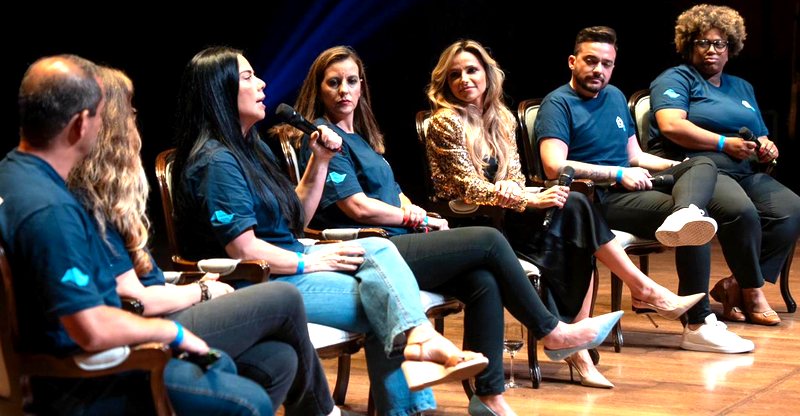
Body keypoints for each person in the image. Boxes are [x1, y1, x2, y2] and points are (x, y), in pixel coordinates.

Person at [171, 46, 622, 416]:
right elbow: (249, 249)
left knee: (476, 280)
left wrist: (321, 163)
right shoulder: (217, 162)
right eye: (248, 77)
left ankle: (486, 396)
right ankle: (540, 336)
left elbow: (293, 219)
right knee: (461, 256)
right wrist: (317, 255)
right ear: (221, 90)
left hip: (304, 261)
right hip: (270, 280)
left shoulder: (251, 150)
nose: (262, 83)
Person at [67, 65, 356, 416]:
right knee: (283, 297)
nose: (134, 118)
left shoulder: (253, 150)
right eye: (127, 110)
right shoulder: (84, 202)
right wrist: (200, 291)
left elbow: (295, 221)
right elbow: (132, 298)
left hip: (170, 306)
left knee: (279, 359)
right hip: (146, 330)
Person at [0, 55, 274, 415]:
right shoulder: (52, 209)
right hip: (87, 382)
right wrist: (173, 334)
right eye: (102, 115)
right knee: (248, 400)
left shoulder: (13, 174)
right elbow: (92, 328)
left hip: (84, 361)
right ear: (82, 124)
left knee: (264, 360)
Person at [424, 38, 707, 386]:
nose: (465, 79)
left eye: (472, 70)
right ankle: (630, 302)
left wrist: (515, 188)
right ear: (446, 82)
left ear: (487, 74)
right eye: (455, 75)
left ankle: (584, 341)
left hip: (506, 214)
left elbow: (513, 172)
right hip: (473, 223)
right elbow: (467, 187)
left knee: (575, 208)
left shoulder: (500, 117)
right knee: (575, 216)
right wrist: (525, 200)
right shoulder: (445, 122)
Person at [535, 26, 756, 354]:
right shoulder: (558, 104)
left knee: (703, 164)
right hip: (598, 199)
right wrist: (619, 172)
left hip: (632, 187)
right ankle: (698, 324)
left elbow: (636, 156)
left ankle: (685, 211)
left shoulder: (613, 96)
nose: (599, 69)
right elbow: (555, 166)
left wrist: (678, 167)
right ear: (572, 61)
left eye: (606, 63)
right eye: (591, 61)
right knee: (697, 224)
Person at [648, 4, 800, 326]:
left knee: (791, 208)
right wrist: (722, 143)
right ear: (689, 45)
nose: (712, 50)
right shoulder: (676, 78)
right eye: (703, 42)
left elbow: (759, 133)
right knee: (741, 211)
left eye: (720, 44)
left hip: (744, 170)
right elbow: (671, 125)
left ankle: (733, 284)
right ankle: (754, 291)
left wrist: (765, 146)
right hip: (700, 169)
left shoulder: (742, 87)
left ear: (731, 48)